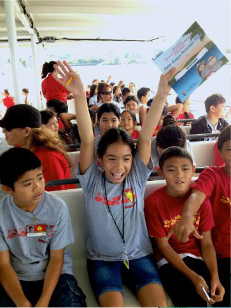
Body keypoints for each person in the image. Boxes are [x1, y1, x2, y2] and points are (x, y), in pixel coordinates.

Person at [52, 60, 176, 307]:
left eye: (126, 159)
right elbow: (87, 140)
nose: (119, 167)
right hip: (102, 260)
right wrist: (78, 96)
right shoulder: (92, 181)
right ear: (100, 159)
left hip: (140, 256)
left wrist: (161, 94)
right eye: (111, 159)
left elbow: (146, 134)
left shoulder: (136, 176)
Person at [0, 147, 86, 307]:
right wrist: (22, 303)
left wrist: (43, 301)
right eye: (27, 184)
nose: (38, 186)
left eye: (40, 177)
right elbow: (3, 265)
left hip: (57, 275)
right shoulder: (2, 214)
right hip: (16, 276)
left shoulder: (57, 208)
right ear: (7, 189)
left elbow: (56, 258)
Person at [145, 146, 224, 307]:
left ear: (193, 170)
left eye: (185, 169)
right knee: (190, 299)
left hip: (196, 257)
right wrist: (193, 276)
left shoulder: (202, 201)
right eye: (171, 169)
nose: (179, 174)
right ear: (161, 172)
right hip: (168, 262)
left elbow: (207, 243)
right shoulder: (153, 202)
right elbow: (163, 246)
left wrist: (215, 276)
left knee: (218, 295)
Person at [168, 125, 231, 307]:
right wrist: (187, 217)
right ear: (219, 151)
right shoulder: (213, 174)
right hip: (223, 256)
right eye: (229, 149)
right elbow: (197, 196)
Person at [0, 104, 75, 192]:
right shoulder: (22, 150)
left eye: (8, 129)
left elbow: (55, 195)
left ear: (26, 131)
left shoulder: (49, 158)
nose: (3, 131)